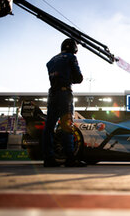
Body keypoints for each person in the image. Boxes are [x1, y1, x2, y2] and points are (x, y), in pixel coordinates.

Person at [42, 38, 86, 167]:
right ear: (73, 48)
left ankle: (48, 158)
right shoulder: (71, 57)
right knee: (67, 125)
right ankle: (70, 159)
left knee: (49, 127)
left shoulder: (51, 61)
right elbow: (78, 78)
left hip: (52, 94)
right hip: (64, 94)